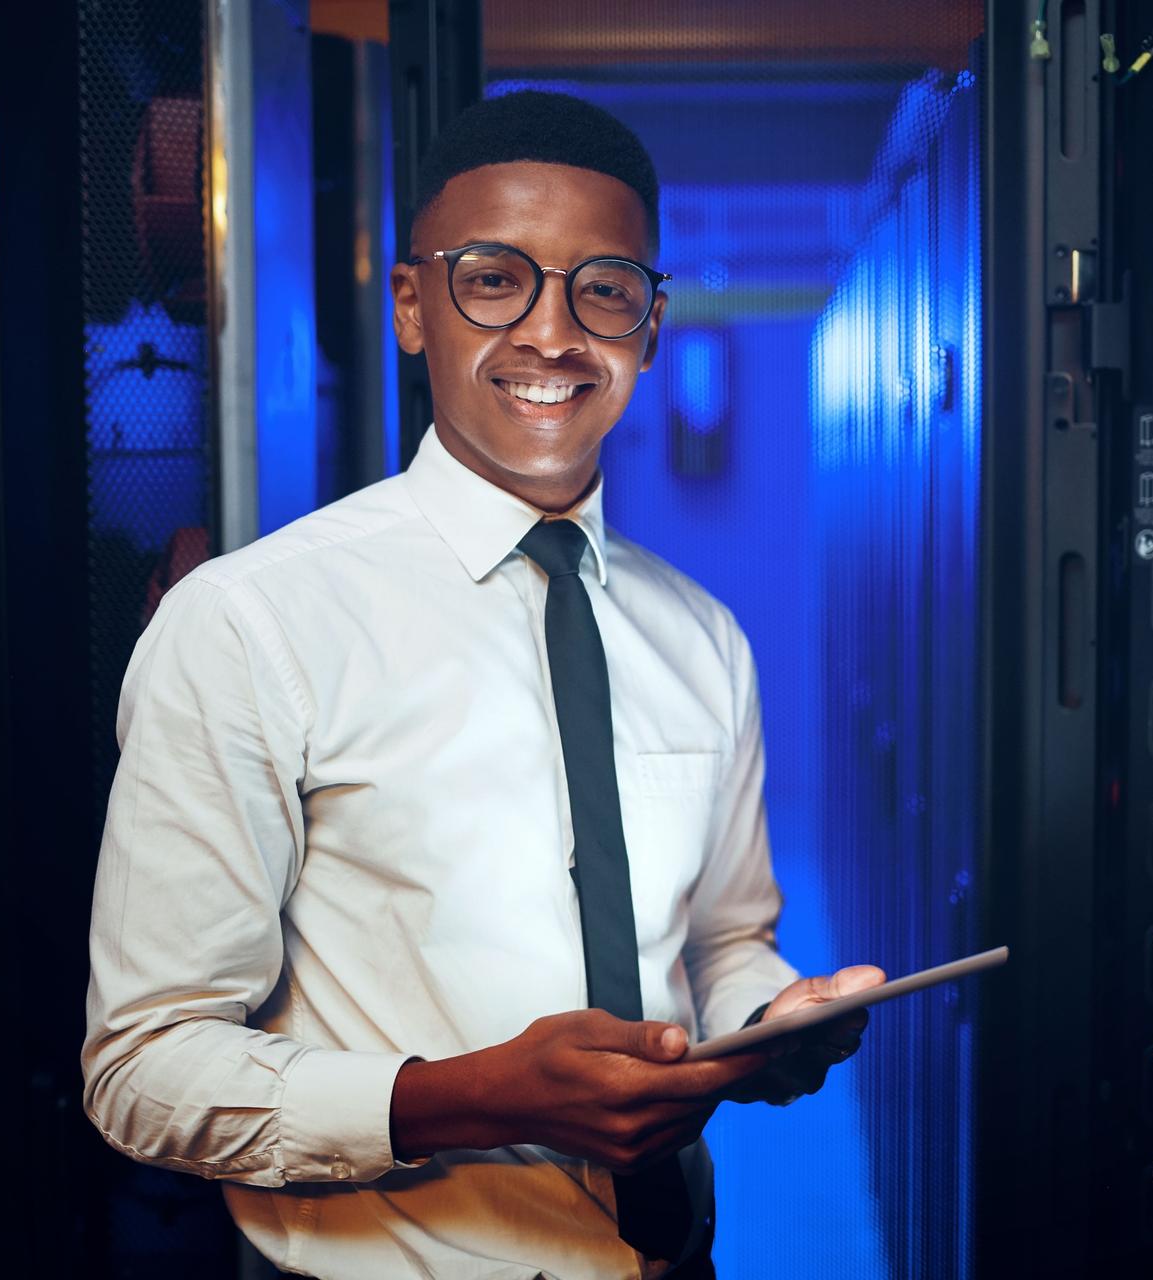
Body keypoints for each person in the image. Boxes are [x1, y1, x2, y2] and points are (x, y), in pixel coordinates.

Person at [80, 89, 883, 1279]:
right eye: (493, 278)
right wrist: (462, 1096)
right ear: (414, 307)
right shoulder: (252, 623)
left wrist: (770, 1019)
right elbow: (141, 1067)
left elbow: (723, 940)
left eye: (603, 287)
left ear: (650, 327)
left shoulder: (703, 637)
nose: (553, 333)